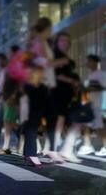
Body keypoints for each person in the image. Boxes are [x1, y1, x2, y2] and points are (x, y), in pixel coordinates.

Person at [23, 17, 67, 166]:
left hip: (46, 86)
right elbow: (43, 63)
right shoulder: (36, 43)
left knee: (52, 119)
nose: (51, 32)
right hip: (38, 86)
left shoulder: (43, 43)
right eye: (49, 29)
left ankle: (51, 150)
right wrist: (60, 62)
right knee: (34, 120)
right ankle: (30, 153)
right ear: (44, 29)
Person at [43, 32, 76, 154]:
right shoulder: (56, 56)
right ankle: (53, 148)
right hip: (56, 93)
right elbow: (55, 73)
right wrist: (70, 80)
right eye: (62, 40)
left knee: (57, 120)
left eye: (67, 41)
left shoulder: (64, 56)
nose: (65, 43)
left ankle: (49, 147)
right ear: (57, 42)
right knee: (58, 119)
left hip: (64, 93)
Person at [77, 55, 106, 156]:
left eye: (89, 61)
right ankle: (87, 145)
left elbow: (103, 87)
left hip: (97, 104)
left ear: (95, 62)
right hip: (91, 103)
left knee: (99, 126)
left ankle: (103, 146)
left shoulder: (101, 74)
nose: (87, 63)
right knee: (87, 124)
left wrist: (89, 88)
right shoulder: (91, 75)